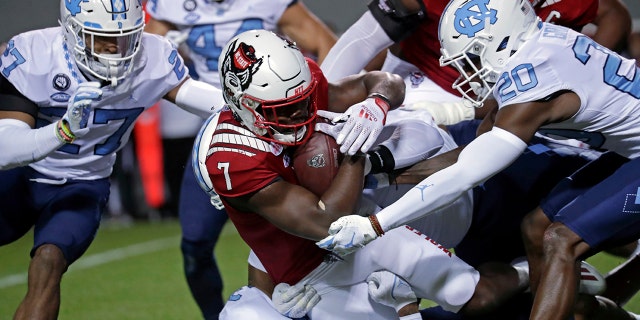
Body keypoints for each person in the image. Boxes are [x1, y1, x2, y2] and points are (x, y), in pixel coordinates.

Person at [317, 0, 640, 319]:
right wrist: (387, 175)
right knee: (536, 226)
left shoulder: (535, 83)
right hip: (631, 151)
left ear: (499, 43)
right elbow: (473, 150)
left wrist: (376, 224)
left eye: (470, 56)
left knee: (561, 239)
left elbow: (466, 175)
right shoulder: (540, 43)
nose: (465, 69)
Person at [199, 28, 546, 320]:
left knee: (475, 295)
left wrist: (375, 104)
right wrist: (355, 154)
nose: (303, 114)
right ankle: (405, 305)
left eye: (305, 101)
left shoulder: (295, 86)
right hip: (316, 264)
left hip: (363, 224)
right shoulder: (234, 160)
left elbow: (385, 82)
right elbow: (322, 223)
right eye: (286, 110)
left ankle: (532, 272)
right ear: (245, 105)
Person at [0, 0, 229, 318]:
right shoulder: (34, 53)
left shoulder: (154, 56)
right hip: (23, 174)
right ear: (72, 32)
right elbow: (5, 149)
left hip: (83, 183)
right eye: (101, 37)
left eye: (125, 38)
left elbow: (197, 96)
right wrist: (63, 130)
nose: (114, 48)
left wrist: (253, 102)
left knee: (49, 261)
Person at [143, 1, 338, 318]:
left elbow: (324, 43)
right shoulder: (173, 6)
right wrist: (168, 55)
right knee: (194, 244)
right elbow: (147, 59)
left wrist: (313, 112)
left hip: (278, 128)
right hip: (223, 130)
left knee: (304, 225)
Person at [319, 0, 631, 128]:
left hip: (500, 102)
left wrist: (579, 69)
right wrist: (319, 100)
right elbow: (365, 36)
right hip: (416, 82)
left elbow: (614, 14)